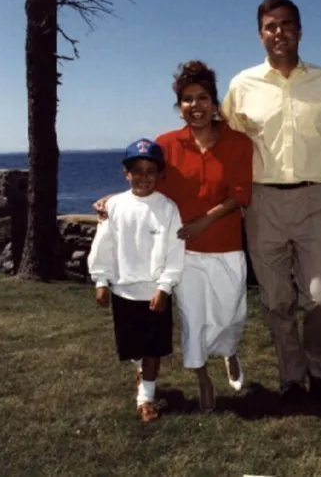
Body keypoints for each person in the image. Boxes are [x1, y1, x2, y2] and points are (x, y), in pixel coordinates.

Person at [222, 0, 321, 405]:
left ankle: (319, 375)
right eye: (271, 26)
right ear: (260, 33)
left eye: (286, 24)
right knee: (276, 300)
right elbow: (223, 145)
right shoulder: (241, 85)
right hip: (262, 202)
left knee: (320, 297)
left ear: (300, 31)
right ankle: (291, 380)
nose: (279, 32)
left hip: (313, 199)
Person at [94, 61, 253, 413]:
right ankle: (202, 379)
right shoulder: (166, 144)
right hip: (183, 250)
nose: (195, 106)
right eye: (187, 100)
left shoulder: (238, 142)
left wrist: (202, 221)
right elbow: (144, 183)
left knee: (232, 313)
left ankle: (228, 350)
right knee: (193, 319)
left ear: (215, 103)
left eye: (202, 98)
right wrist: (110, 200)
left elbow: (240, 195)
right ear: (179, 105)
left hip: (226, 243)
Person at [87, 138, 185, 424]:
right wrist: (101, 281)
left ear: (160, 174)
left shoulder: (167, 208)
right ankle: (141, 371)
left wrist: (165, 286)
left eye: (150, 171)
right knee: (133, 347)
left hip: (154, 292)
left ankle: (146, 398)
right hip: (124, 292)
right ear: (125, 173)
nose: (144, 177)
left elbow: (175, 252)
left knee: (154, 347)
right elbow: (102, 246)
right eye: (137, 170)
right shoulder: (114, 206)